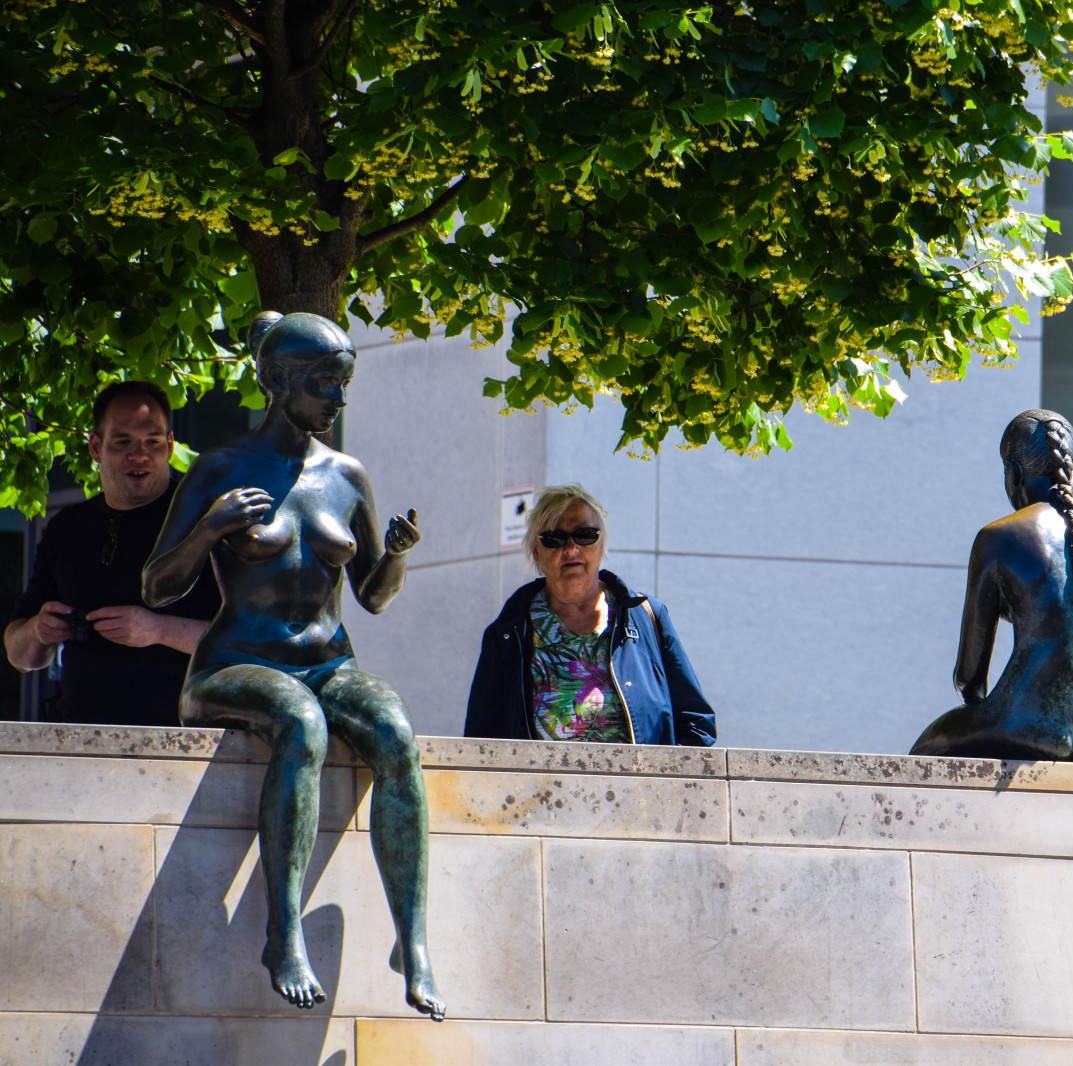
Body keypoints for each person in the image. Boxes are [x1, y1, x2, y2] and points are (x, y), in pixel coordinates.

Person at [142, 311, 444, 1020]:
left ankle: (415, 940)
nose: (338, 402)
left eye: (344, 385)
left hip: (329, 663)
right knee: (299, 724)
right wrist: (211, 528)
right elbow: (158, 586)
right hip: (236, 666)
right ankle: (284, 934)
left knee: (396, 732)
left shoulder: (347, 475)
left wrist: (396, 552)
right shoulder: (223, 468)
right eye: (325, 385)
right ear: (277, 382)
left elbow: (371, 595)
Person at [911, 409, 1073, 761]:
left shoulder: (998, 536)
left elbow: (969, 680)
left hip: (1027, 725)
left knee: (929, 743)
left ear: (1013, 473)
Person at [5, 381, 222, 727]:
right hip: (79, 738)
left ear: (169, 446)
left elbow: (249, 642)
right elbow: (20, 656)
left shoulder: (206, 522)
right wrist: (38, 631)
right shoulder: (67, 528)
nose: (139, 455)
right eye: (123, 443)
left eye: (152, 442)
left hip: (184, 739)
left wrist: (158, 630)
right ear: (95, 447)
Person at [464, 483, 716, 746]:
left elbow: (696, 723)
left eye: (585, 535)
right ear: (535, 552)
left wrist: (666, 784)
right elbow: (481, 742)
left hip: (638, 787)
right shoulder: (508, 633)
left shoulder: (647, 618)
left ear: (602, 543)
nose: (571, 549)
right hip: (542, 787)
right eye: (554, 538)